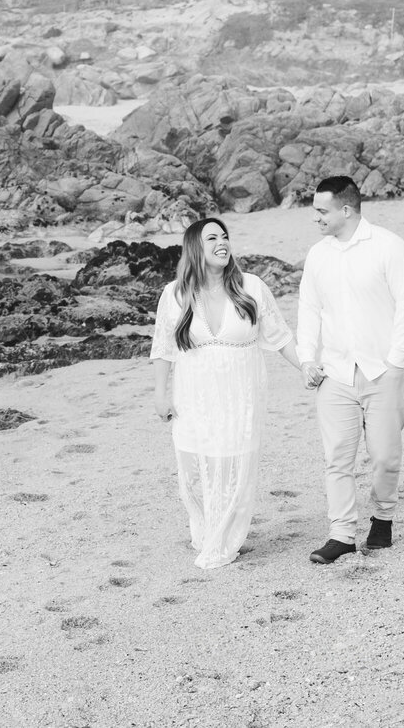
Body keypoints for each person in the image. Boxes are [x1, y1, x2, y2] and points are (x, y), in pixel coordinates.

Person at [150, 217, 297, 569]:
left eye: (225, 236)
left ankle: (225, 539)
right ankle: (205, 531)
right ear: (194, 249)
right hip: (193, 395)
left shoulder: (252, 287)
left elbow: (280, 336)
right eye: (212, 237)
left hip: (240, 395)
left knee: (233, 464)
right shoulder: (175, 294)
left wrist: (306, 366)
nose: (222, 242)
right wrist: (160, 394)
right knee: (195, 467)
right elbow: (163, 348)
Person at [296, 175, 404, 564]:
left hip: (381, 370)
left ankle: (382, 517)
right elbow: (309, 308)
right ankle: (342, 535)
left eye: (321, 211)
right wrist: (306, 358)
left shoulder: (388, 246)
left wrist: (396, 360)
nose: (315, 218)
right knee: (337, 458)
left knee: (384, 456)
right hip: (334, 372)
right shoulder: (319, 254)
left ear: (345, 210)